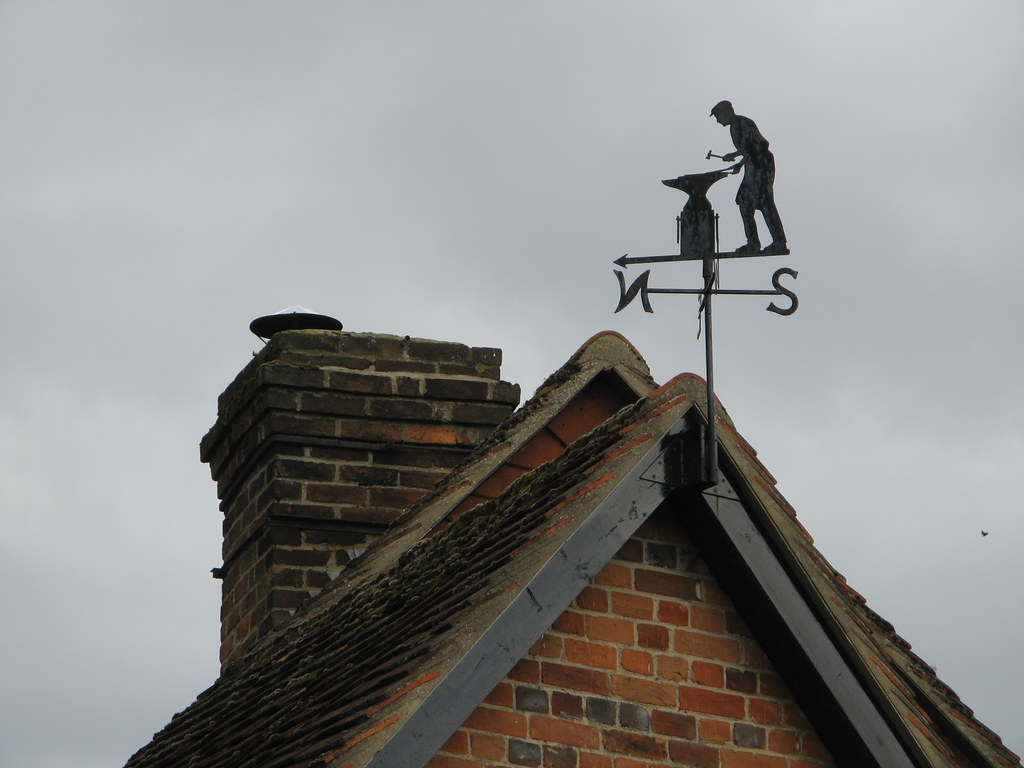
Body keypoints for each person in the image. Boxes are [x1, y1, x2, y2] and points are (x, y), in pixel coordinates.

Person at [710, 100, 788, 255]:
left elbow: (756, 147)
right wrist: (735, 156)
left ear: (726, 112)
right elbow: (746, 150)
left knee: (765, 203)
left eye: (718, 116)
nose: (718, 121)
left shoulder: (743, 123)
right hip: (753, 166)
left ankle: (779, 242)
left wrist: (739, 163)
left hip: (761, 165)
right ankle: (753, 243)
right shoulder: (734, 127)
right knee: (744, 201)